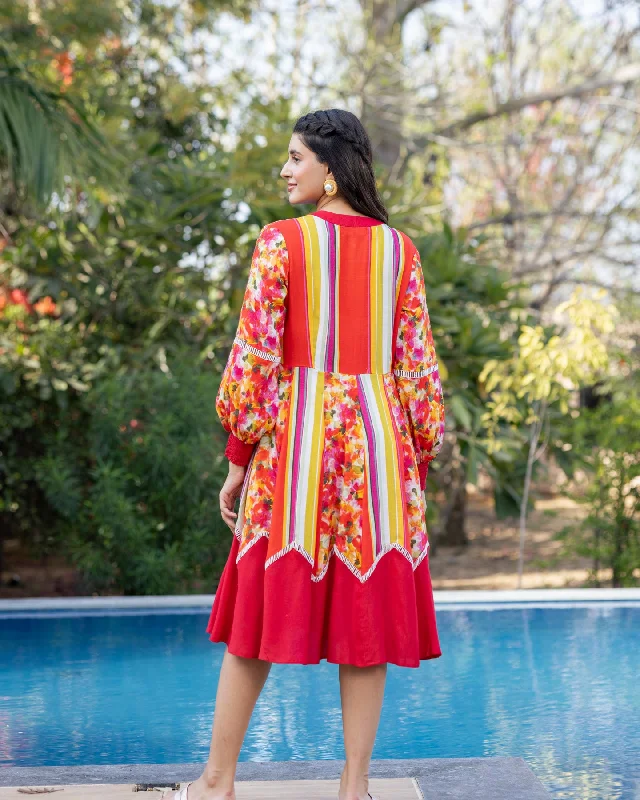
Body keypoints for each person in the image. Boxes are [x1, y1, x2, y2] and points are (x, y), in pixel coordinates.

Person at [163, 109, 446, 800]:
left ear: (329, 170)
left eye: (295, 157)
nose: (286, 170)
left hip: (294, 452)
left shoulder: (281, 244)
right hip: (378, 456)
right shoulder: (400, 251)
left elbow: (255, 358)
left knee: (254, 621)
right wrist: (415, 470)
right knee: (366, 627)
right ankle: (355, 787)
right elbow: (419, 377)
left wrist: (237, 458)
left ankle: (216, 781)